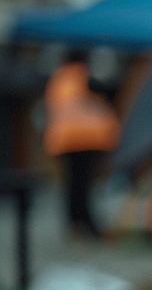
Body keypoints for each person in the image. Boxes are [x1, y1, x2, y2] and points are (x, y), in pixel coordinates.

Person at [43, 51, 120, 239]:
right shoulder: (82, 76)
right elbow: (105, 94)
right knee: (82, 186)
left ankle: (75, 224)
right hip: (86, 139)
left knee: (72, 186)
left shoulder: (58, 79)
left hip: (64, 139)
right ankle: (86, 224)